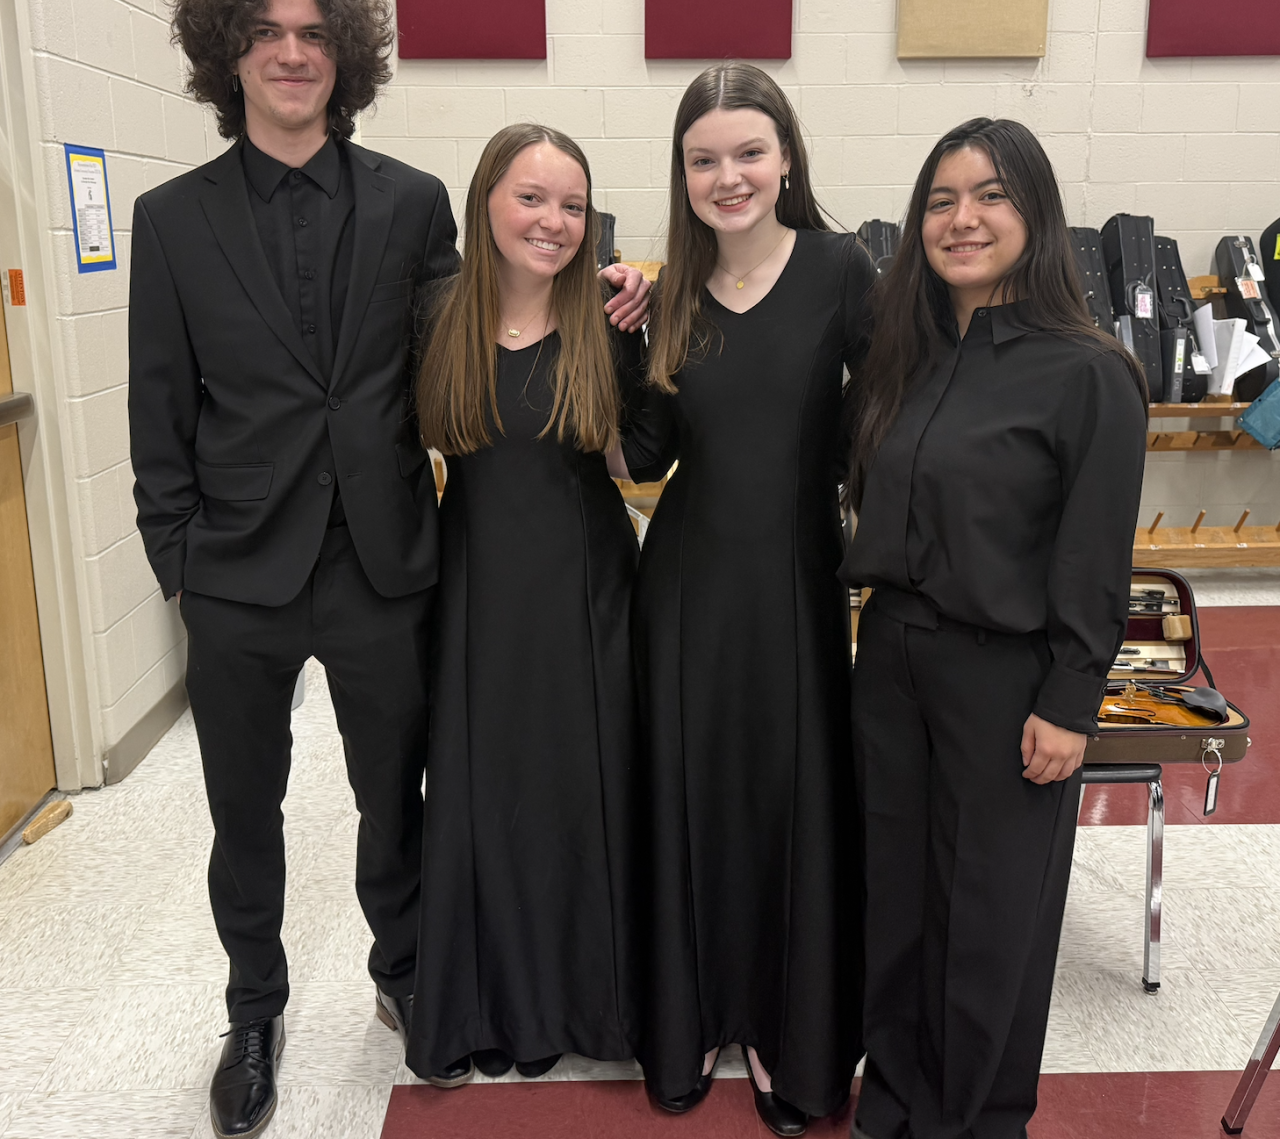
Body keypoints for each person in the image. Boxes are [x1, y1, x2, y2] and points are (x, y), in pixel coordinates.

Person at [128, 0, 648, 1139]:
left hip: (384, 563)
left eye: (315, 33)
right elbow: (157, 410)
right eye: (268, 32)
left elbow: (490, 321)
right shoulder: (171, 220)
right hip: (238, 576)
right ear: (228, 51)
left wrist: (613, 294)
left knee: (393, 796)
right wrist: (180, 566)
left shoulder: (413, 203)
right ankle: (252, 1010)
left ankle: (406, 965)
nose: (292, 52)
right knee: (243, 813)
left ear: (345, 55)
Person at [840, 117, 1147, 1139]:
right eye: (941, 201)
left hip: (1003, 676)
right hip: (891, 660)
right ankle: (892, 1103)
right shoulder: (905, 356)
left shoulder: (1087, 371)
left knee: (987, 915)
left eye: (989, 195)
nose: (961, 219)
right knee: (894, 898)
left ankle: (973, 1117)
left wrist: (1070, 698)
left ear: (1035, 212)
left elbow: (1092, 553)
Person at [620, 62, 875, 1137]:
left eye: (748, 153)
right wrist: (615, 341)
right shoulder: (670, 292)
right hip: (686, 589)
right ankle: (694, 1014)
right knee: (694, 800)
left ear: (785, 159)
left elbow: (887, 418)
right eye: (703, 159)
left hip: (798, 587)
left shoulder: (841, 270)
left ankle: (783, 1024)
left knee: (787, 806)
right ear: (681, 173)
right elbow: (645, 455)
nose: (727, 177)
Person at [406, 124, 645, 1088]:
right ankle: (502, 1003)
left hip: (586, 591)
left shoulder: (607, 321)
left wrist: (649, 329)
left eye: (573, 205)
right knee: (490, 795)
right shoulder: (436, 315)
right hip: (478, 588)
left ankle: (586, 999)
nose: (553, 221)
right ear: (486, 202)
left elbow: (638, 459)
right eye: (532, 197)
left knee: (579, 794)